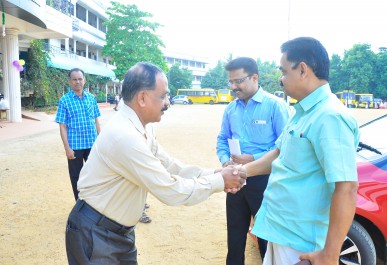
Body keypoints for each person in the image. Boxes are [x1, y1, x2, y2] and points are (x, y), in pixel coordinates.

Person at [65, 62, 246, 265]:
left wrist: (215, 173)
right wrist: (220, 181)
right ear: (142, 98)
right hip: (95, 233)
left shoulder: (142, 127)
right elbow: (170, 190)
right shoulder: (125, 136)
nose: (167, 102)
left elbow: (168, 165)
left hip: (118, 232)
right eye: (163, 96)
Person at [236, 37, 360, 265]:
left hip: (302, 243)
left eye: (284, 72)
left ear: (302, 69)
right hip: (282, 231)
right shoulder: (302, 112)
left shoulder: (330, 117)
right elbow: (279, 154)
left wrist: (329, 255)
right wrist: (241, 172)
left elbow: (347, 187)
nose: (281, 79)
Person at [217, 57, 290, 265]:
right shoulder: (231, 109)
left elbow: (284, 147)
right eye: (230, 82)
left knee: (267, 239)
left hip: (265, 181)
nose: (233, 87)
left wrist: (253, 159)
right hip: (235, 181)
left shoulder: (275, 107)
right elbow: (222, 138)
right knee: (235, 235)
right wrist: (225, 162)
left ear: (255, 77)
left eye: (238, 81)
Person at [55, 68, 101, 201]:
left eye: (80, 79)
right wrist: (67, 148)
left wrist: (100, 141)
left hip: (92, 144)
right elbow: (62, 126)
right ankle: (80, 205)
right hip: (75, 146)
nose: (77, 82)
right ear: (69, 81)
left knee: (96, 174)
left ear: (84, 80)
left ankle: (95, 203)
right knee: (76, 177)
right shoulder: (64, 100)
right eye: (74, 79)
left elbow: (96, 120)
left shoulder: (91, 98)